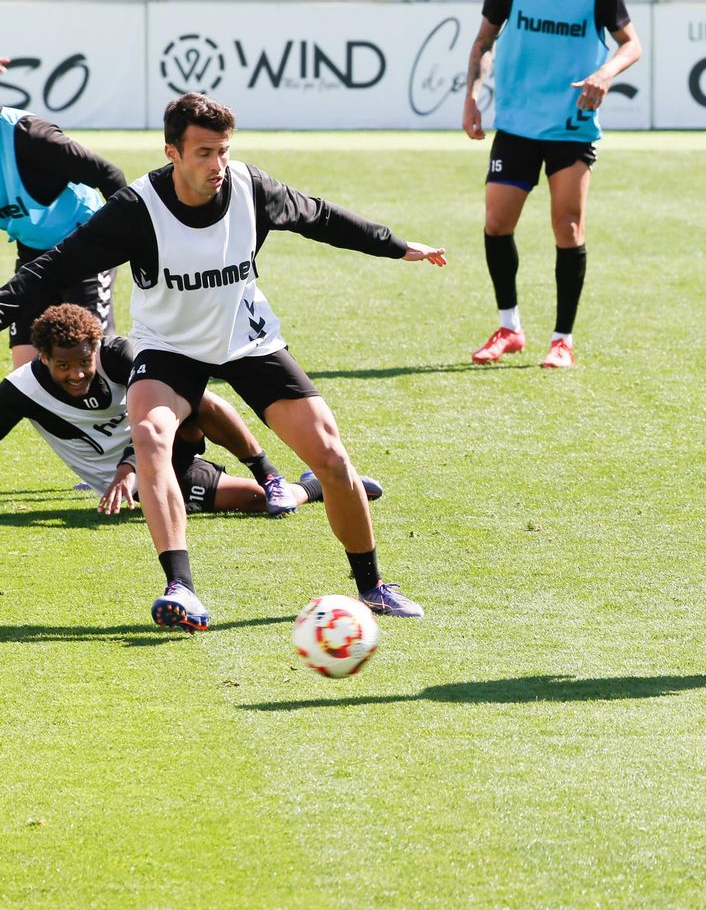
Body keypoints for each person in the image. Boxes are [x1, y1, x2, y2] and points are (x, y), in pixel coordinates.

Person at [0, 92, 447, 633]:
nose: (218, 164)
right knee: (150, 437)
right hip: (169, 349)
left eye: (224, 150)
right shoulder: (137, 209)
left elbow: (321, 217)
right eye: (204, 153)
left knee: (331, 457)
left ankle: (372, 586)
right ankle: (180, 588)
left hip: (248, 341)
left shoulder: (251, 188)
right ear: (172, 153)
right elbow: (55, 265)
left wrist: (395, 245)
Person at [461, 0, 642, 369]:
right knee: (497, 223)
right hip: (517, 125)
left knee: (568, 226)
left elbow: (631, 44)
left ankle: (562, 339)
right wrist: (471, 98)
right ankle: (509, 327)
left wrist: (605, 74)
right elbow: (483, 41)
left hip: (571, 126)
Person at [0, 302, 383, 517]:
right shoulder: (21, 390)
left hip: (164, 441)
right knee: (256, 503)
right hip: (136, 483)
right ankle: (316, 485)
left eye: (83, 361)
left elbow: (156, 413)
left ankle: (268, 473)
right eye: (63, 366)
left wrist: (128, 465)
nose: (77, 374)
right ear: (43, 357)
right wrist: (127, 472)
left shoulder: (116, 355)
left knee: (198, 399)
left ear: (95, 348)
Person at [1, 97, 126, 369]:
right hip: (34, 253)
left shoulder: (30, 136)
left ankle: (155, 384)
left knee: (93, 358)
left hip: (84, 244)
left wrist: (121, 241)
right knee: (24, 370)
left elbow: (109, 175)